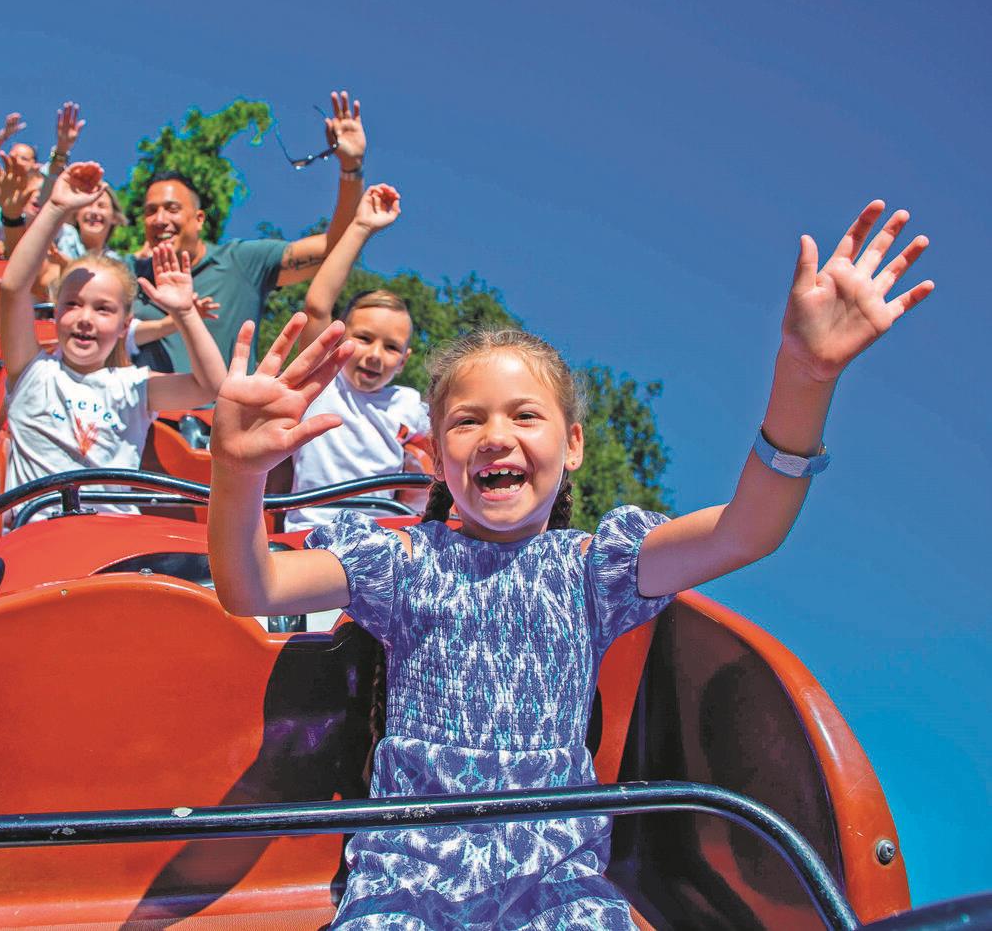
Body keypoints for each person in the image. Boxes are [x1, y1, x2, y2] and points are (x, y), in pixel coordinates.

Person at [207, 200, 934, 927]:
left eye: (525, 416)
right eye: (467, 420)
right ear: (430, 454)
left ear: (574, 445)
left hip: (553, 879)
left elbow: (747, 530)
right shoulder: (401, 559)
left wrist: (804, 377)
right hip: (408, 873)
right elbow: (253, 586)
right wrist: (238, 472)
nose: (496, 436)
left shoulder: (596, 566)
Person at [0, 161, 226, 514]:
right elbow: (13, 288)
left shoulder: (131, 387)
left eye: (103, 309)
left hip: (112, 543)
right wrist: (57, 208)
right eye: (72, 304)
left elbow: (211, 386)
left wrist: (184, 314)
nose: (86, 319)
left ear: (125, 326)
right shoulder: (33, 372)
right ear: (55, 312)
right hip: (38, 540)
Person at [131, 90, 369, 373]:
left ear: (199, 219)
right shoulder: (126, 274)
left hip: (220, 416)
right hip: (143, 415)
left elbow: (336, 248)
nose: (159, 219)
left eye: (171, 209)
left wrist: (350, 168)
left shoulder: (243, 262)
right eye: (150, 211)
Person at [285, 184, 429, 534]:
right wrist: (361, 227)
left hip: (380, 538)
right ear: (340, 337)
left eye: (391, 348)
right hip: (312, 531)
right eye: (363, 339)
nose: (375, 356)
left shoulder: (408, 403)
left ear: (404, 361)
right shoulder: (323, 383)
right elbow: (318, 304)